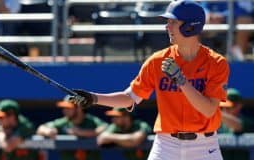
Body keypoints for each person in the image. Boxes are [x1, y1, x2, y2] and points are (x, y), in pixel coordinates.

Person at [68, 0, 230, 160]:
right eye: (168, 22)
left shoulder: (216, 63)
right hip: (167, 145)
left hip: (204, 146)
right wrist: (94, 98)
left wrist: (181, 81)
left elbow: (209, 110)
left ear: (190, 26)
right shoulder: (157, 60)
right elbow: (129, 98)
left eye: (173, 22)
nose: (167, 27)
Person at [37, 97, 107, 139]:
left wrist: (82, 132)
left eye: (68, 108)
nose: (64, 111)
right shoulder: (64, 121)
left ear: (79, 108)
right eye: (64, 108)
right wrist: (48, 131)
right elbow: (41, 128)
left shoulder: (91, 120)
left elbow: (106, 128)